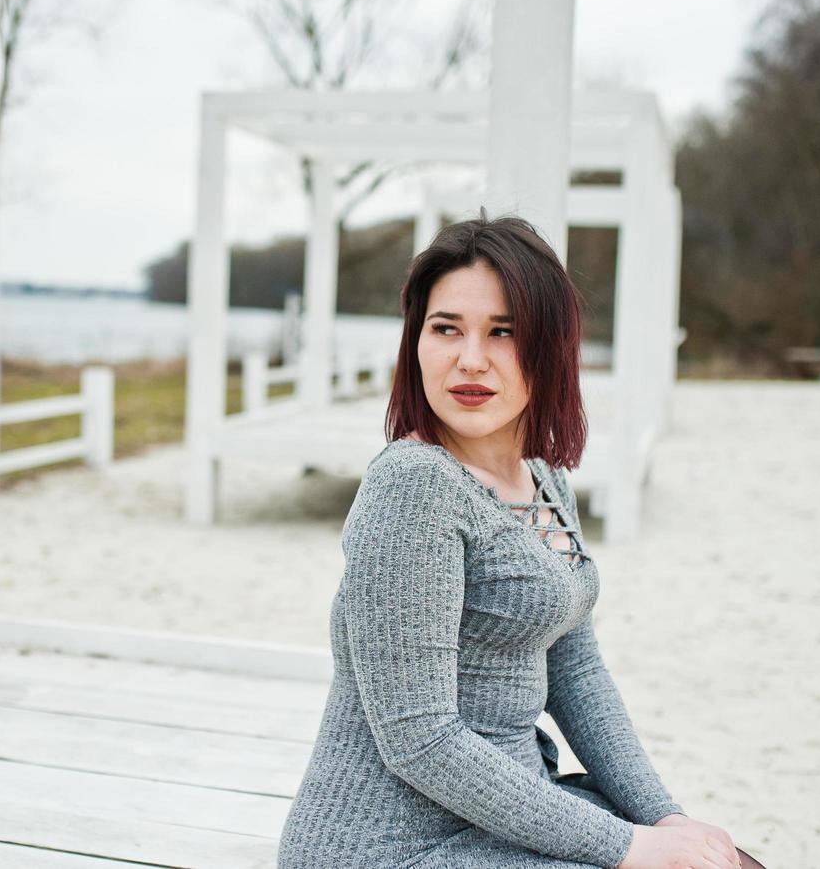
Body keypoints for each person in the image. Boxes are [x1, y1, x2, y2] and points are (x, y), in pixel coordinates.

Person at [277, 213, 765, 868]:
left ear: (549, 348)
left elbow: (576, 669)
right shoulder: (413, 484)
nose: (469, 360)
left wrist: (663, 816)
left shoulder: (543, 478)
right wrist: (629, 845)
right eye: (445, 328)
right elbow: (418, 737)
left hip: (506, 813)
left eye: (503, 333)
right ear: (414, 342)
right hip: (391, 846)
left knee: (728, 862)